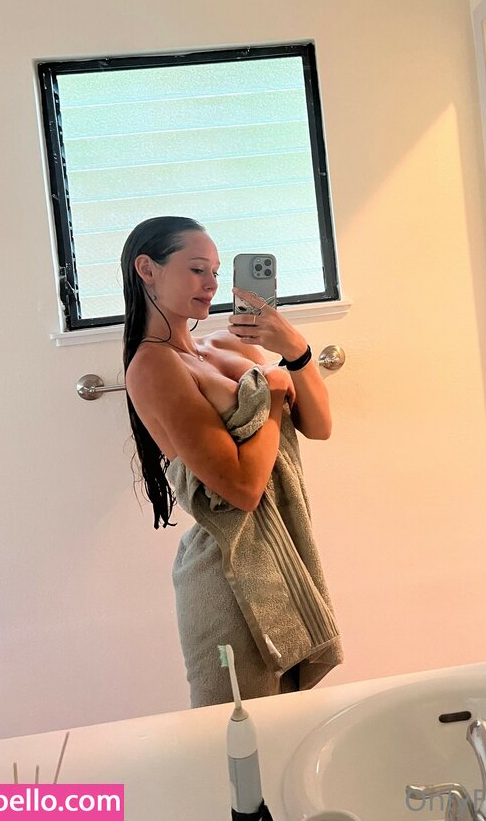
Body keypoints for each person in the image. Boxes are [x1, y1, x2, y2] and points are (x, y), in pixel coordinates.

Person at [120, 215, 342, 705]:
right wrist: (274, 393)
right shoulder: (153, 365)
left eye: (216, 272)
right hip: (226, 577)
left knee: (290, 727)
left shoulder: (225, 343)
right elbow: (242, 489)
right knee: (238, 731)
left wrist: (295, 350)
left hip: (279, 560)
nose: (212, 283)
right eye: (197, 269)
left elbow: (320, 425)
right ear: (147, 269)